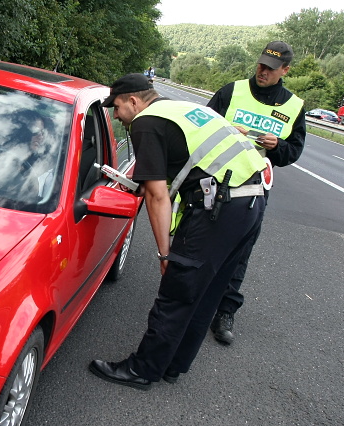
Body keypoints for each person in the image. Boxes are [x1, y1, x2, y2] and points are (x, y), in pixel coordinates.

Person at [89, 73, 267, 390]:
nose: (116, 116)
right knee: (208, 292)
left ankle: (142, 370)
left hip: (219, 208)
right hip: (252, 203)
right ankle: (173, 364)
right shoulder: (181, 110)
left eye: (116, 107)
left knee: (178, 289)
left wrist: (164, 253)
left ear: (133, 101)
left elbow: (158, 195)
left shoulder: (146, 121)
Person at [207, 41, 306, 345]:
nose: (263, 71)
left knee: (240, 251)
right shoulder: (231, 91)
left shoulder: (293, 106)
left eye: (271, 68)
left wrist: (278, 147)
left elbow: (294, 151)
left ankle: (225, 310)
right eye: (261, 65)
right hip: (214, 180)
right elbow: (200, 125)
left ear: (285, 71)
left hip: (254, 190)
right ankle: (190, 296)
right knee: (199, 238)